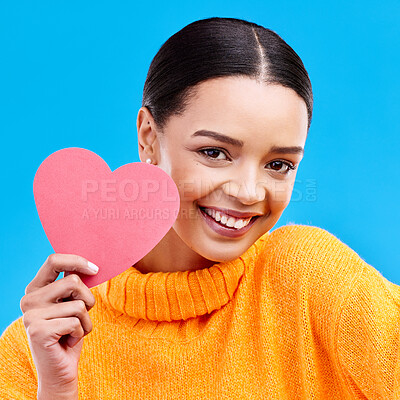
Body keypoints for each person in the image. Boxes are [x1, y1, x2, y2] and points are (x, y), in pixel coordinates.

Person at [0, 16, 399, 400]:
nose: (247, 192)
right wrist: (56, 392)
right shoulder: (35, 348)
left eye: (278, 165)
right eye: (215, 152)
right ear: (148, 139)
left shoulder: (310, 280)